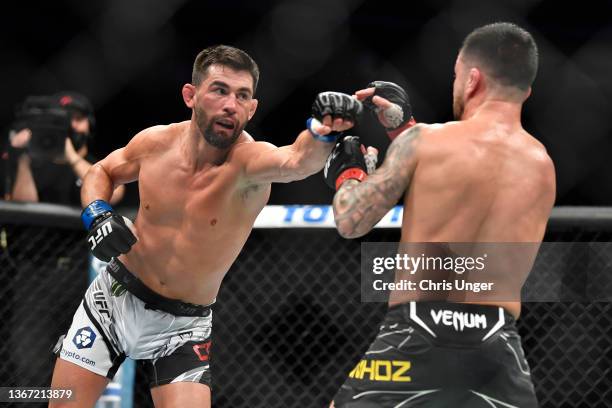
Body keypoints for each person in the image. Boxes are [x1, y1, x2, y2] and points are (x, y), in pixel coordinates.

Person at [49, 45, 363, 407]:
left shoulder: (248, 165)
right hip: (114, 299)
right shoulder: (156, 143)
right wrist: (98, 214)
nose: (231, 104)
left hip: (182, 326)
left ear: (252, 108)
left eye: (242, 95)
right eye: (220, 90)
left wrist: (322, 131)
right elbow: (101, 171)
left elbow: (295, 160)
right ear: (191, 95)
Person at [325, 23, 555, 407]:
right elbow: (475, 187)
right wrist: (404, 131)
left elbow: (352, 221)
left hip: (414, 334)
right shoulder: (542, 166)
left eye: (456, 77)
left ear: (473, 80)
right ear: (526, 89)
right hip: (497, 348)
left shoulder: (427, 142)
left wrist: (350, 173)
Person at [7, 92, 124, 205]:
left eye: (78, 119)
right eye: (63, 120)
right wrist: (24, 157)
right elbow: (24, 211)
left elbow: (113, 195)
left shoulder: (100, 165)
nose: (71, 126)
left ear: (90, 125)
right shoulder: (33, 165)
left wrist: (72, 157)